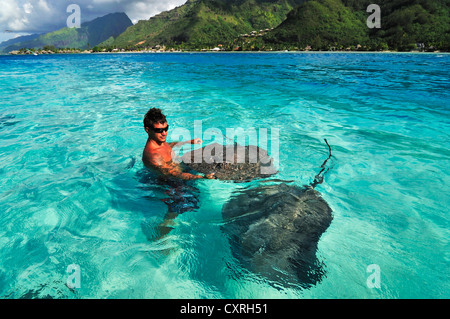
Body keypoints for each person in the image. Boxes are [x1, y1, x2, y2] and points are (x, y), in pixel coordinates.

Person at [142, 107, 215, 180]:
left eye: (166, 128)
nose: (164, 133)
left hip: (180, 169)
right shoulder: (154, 156)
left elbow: (168, 145)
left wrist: (189, 142)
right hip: (171, 183)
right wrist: (201, 177)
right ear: (147, 130)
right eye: (159, 130)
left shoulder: (159, 142)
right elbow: (173, 174)